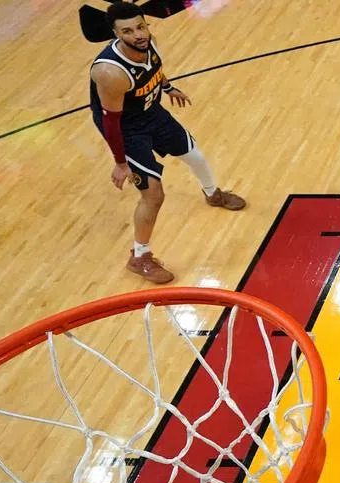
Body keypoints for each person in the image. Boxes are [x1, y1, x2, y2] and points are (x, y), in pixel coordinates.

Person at [88, 1, 246, 285]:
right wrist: (120, 162)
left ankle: (213, 194)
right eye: (128, 31)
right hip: (127, 129)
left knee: (194, 154)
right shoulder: (110, 73)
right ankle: (139, 257)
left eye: (141, 26)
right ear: (115, 34)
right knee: (153, 195)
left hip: (151, 112)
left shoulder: (149, 44)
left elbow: (155, 70)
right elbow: (110, 121)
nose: (138, 34)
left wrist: (168, 87)